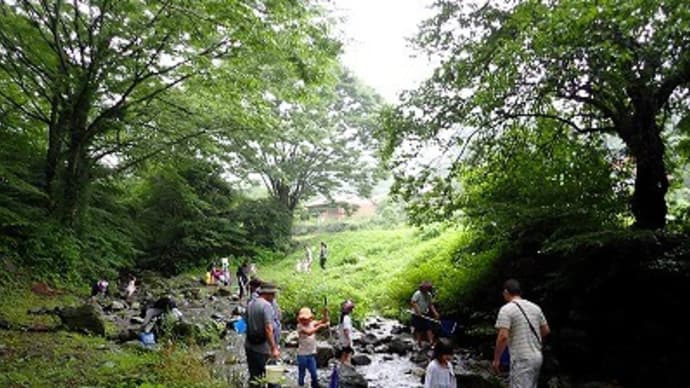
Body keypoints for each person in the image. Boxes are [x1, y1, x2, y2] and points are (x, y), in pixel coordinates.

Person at [492, 279, 550, 388]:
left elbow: (503, 337)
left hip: (521, 358)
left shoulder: (506, 309)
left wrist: (496, 359)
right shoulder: (535, 307)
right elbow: (546, 330)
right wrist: (531, 339)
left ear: (506, 292)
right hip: (537, 356)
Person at [245, 282, 281, 387]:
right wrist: (274, 348)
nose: (274, 297)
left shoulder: (251, 303)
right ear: (267, 294)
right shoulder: (266, 306)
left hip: (250, 346)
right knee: (273, 380)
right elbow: (268, 328)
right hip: (264, 349)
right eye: (273, 294)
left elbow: (245, 322)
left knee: (255, 378)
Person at [296, 307, 329, 388]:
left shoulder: (312, 323)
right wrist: (320, 326)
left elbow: (324, 320)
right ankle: (301, 385)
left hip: (311, 354)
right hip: (302, 355)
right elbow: (309, 332)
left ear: (310, 318)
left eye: (306, 319)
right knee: (302, 373)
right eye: (302, 319)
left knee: (314, 373)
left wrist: (325, 313)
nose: (304, 321)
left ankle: (315, 386)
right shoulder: (299, 326)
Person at [410, 281, 440, 349]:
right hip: (416, 315)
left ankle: (431, 343)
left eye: (428, 289)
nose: (427, 290)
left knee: (428, 328)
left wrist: (435, 313)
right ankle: (419, 343)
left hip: (425, 314)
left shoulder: (429, 295)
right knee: (418, 329)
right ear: (422, 288)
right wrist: (418, 312)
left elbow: (430, 304)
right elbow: (413, 302)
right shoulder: (417, 294)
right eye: (425, 288)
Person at [337, 299, 355, 365]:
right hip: (346, 339)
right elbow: (346, 330)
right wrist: (349, 340)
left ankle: (342, 367)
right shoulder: (346, 317)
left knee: (344, 353)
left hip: (342, 339)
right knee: (348, 354)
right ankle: (347, 368)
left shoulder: (342, 317)